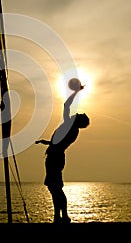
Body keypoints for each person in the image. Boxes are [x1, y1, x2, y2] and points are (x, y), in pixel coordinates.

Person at [35, 86, 90, 223]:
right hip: (56, 157)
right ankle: (58, 217)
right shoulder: (71, 129)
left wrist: (76, 92)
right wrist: (47, 142)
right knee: (54, 189)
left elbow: (66, 105)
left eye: (79, 115)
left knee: (56, 189)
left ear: (78, 121)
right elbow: (58, 143)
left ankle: (63, 216)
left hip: (55, 158)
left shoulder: (69, 126)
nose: (77, 113)